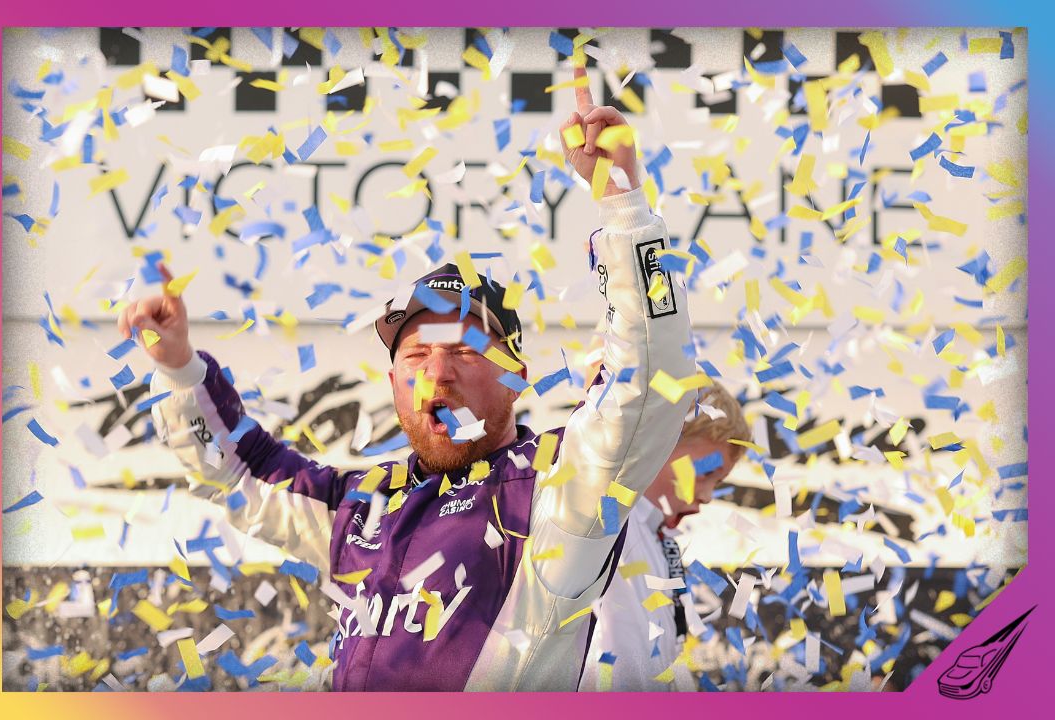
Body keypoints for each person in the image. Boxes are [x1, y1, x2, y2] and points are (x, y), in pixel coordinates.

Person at [118, 65, 695, 691]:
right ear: (393, 380)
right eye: (416, 356)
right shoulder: (357, 507)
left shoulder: (562, 488)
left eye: (468, 352)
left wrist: (622, 205)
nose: (438, 374)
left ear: (517, 377)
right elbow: (234, 470)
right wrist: (177, 366)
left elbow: (647, 375)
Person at [579, 381, 751, 691]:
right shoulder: (604, 522)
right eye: (706, 472)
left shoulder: (660, 542)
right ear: (661, 440)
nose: (709, 495)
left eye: (719, 480)